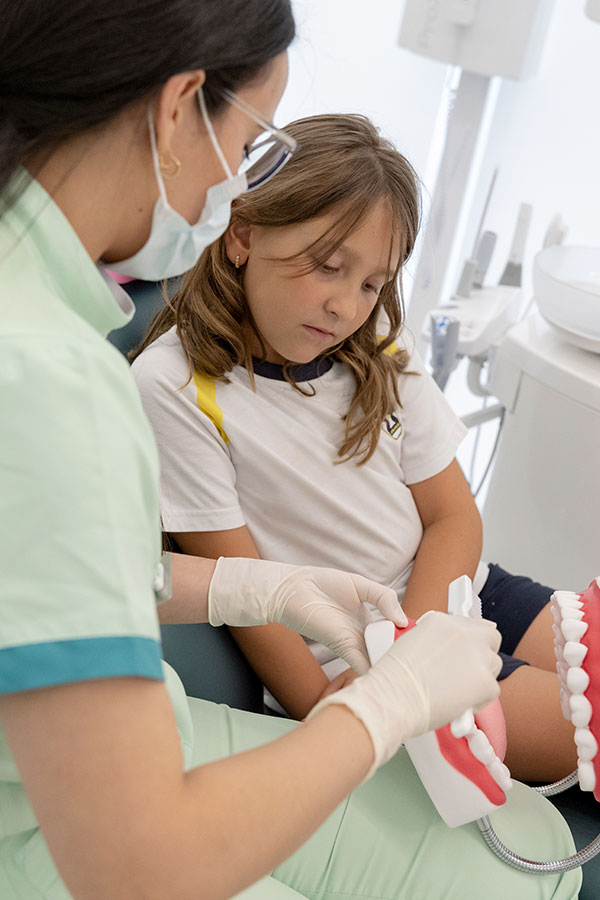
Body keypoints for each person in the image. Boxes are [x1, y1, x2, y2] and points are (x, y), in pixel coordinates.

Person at [0, 2, 579, 897]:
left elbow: (42, 575)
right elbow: (132, 859)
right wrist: (382, 703)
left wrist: (247, 585)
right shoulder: (65, 379)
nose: (236, 184)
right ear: (179, 109)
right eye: (251, 143)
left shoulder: (49, 344)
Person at [133, 112, 579, 788]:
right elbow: (244, 593)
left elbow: (452, 516)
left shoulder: (377, 349)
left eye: (372, 284)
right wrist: (335, 706)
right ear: (244, 233)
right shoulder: (174, 386)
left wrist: (419, 635)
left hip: (458, 593)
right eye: (328, 267)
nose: (346, 306)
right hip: (354, 659)